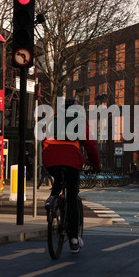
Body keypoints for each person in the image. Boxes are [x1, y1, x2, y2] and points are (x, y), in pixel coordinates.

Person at [42, 98, 100, 253]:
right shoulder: (79, 121)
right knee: (72, 198)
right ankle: (74, 239)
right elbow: (91, 146)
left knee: (58, 179)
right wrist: (96, 167)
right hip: (71, 161)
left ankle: (52, 199)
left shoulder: (53, 119)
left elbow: (44, 139)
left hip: (51, 158)